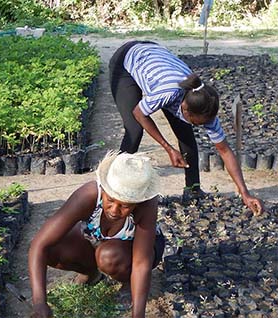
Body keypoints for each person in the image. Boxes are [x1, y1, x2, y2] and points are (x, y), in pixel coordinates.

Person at [109, 40, 263, 216]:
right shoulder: (168, 93)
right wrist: (168, 148)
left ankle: (193, 189)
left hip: (154, 56)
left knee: (186, 135)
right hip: (127, 61)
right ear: (185, 109)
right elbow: (139, 113)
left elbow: (225, 151)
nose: (201, 126)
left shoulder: (203, 102)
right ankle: (112, 189)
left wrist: (245, 193)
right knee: (134, 131)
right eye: (197, 122)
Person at [28, 151, 165, 318]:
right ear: (104, 190)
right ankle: (91, 273)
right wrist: (40, 303)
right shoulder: (89, 194)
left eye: (125, 206)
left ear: (137, 202)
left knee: (109, 256)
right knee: (53, 246)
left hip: (131, 251)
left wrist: (138, 314)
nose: (115, 210)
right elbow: (39, 244)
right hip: (96, 240)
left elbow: (141, 263)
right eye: (111, 200)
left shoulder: (146, 206)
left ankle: (128, 283)